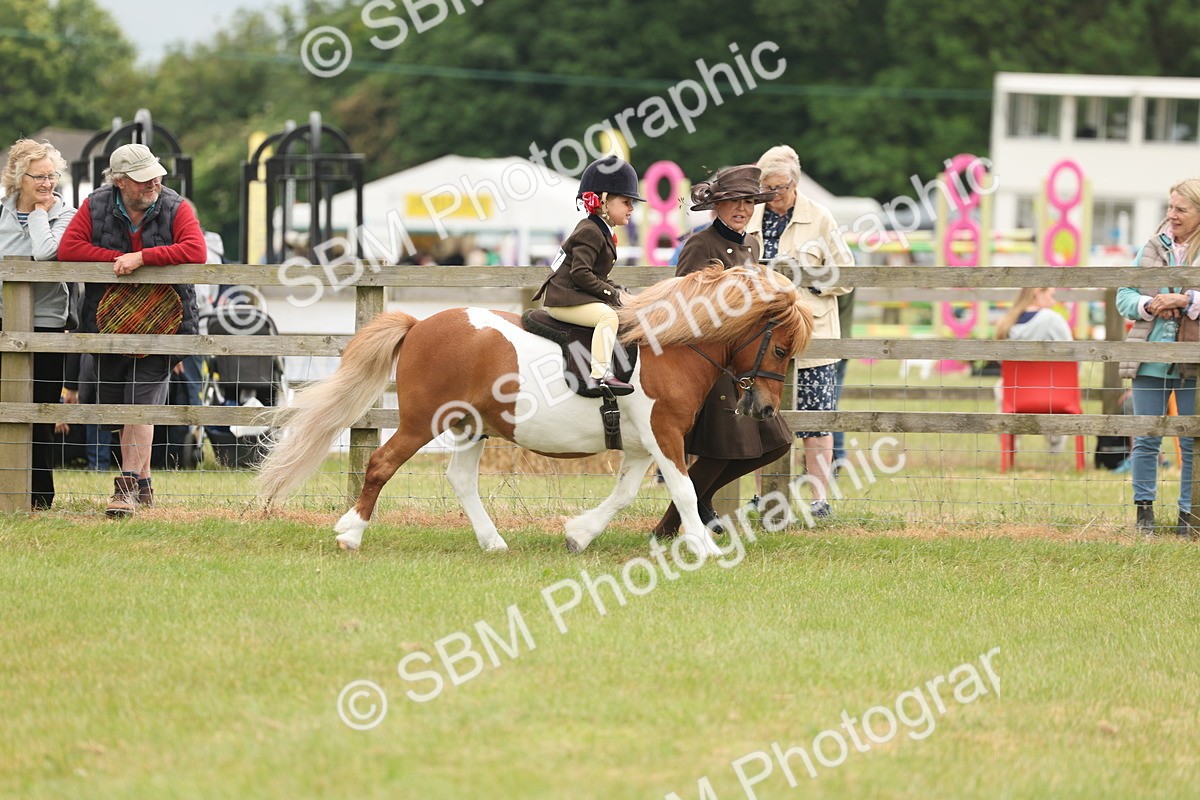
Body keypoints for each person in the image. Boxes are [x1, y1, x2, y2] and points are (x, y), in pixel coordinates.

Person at [58, 143, 206, 518]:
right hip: (107, 323)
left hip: (166, 323)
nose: (154, 182)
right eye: (143, 179)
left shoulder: (177, 206)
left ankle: (124, 488)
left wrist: (143, 258)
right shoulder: (95, 206)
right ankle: (145, 484)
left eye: (156, 175)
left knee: (140, 405)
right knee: (117, 408)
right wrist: (115, 260)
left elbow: (196, 250)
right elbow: (68, 249)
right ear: (120, 181)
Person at [652, 164, 783, 539]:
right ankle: (668, 527)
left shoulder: (752, 245)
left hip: (743, 360)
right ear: (717, 205)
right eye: (732, 201)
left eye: (747, 201)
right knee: (725, 448)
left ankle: (701, 498)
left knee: (773, 443)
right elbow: (682, 302)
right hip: (707, 362)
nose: (740, 208)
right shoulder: (700, 243)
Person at [747, 145, 852, 518]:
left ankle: (818, 500)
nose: (772, 195)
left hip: (812, 334)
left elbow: (847, 271)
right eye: (766, 188)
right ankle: (765, 497)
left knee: (816, 418)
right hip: (760, 337)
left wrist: (806, 279)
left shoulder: (820, 217)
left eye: (778, 188)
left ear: (794, 184)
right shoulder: (751, 217)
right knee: (761, 416)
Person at [1116, 178, 1200, 537]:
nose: (1172, 215)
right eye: (1170, 207)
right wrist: (1148, 304)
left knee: (1191, 438)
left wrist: (1185, 301)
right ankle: (1144, 514)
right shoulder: (1152, 246)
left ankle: (1188, 515)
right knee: (1147, 436)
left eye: (1181, 209)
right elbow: (1124, 294)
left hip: (1193, 360)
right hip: (1151, 356)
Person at [0, 139, 77, 509]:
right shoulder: (0, 213)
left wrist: (37, 214)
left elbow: (48, 253)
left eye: (52, 176)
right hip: (2, 321)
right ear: (19, 178)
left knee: (41, 411)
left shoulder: (65, 214)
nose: (48, 184)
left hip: (46, 323)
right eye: (40, 177)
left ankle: (41, 499)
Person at [532, 155, 644, 394]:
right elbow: (581, 273)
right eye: (626, 201)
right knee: (607, 317)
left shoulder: (599, 230)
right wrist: (611, 294)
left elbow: (595, 275)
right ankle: (600, 375)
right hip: (564, 299)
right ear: (604, 202)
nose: (632, 208)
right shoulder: (591, 231)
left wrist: (619, 291)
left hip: (574, 294)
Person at [995, 287, 1074, 453]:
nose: (1053, 302)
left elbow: (1001, 362)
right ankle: (1055, 446)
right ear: (1038, 293)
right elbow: (1072, 356)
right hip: (1053, 394)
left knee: (1000, 386)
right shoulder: (1052, 319)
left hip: (1014, 395)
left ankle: (1010, 447)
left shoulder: (1006, 323)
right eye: (1051, 296)